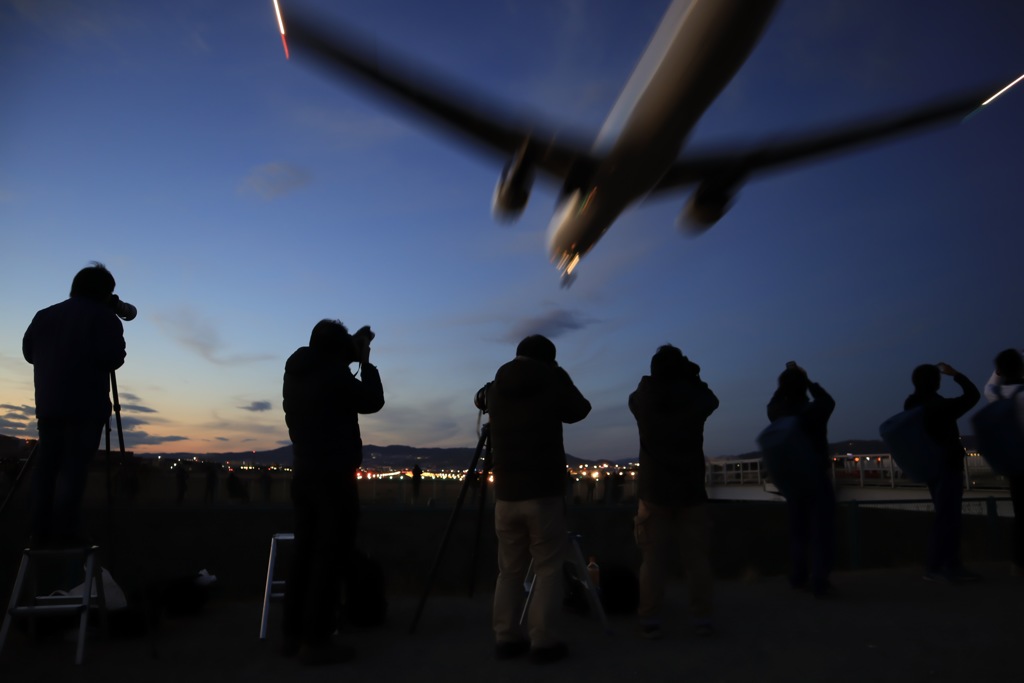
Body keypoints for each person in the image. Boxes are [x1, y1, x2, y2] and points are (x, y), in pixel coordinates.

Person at [281, 320, 384, 665]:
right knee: (329, 558)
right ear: (337, 351)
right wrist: (365, 361)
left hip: (304, 474)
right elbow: (372, 400)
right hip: (333, 480)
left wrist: (348, 350)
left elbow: (333, 370)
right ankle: (317, 640)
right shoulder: (333, 374)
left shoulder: (298, 371)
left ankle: (292, 634)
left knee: (304, 556)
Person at [484, 334, 590, 664]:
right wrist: (559, 374)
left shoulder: (496, 385)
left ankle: (505, 637)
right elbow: (579, 409)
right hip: (543, 492)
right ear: (549, 359)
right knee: (547, 569)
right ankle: (542, 641)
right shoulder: (551, 379)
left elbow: (479, 400)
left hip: (506, 494)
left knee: (509, 571)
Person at [22, 262, 127, 547]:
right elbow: (113, 358)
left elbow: (29, 353)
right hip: (86, 407)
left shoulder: (44, 316)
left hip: (49, 405)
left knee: (47, 467)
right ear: (105, 292)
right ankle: (66, 531)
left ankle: (39, 529)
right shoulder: (104, 317)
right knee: (73, 468)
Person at [629, 345, 719, 639]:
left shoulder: (644, 399)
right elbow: (711, 400)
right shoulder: (694, 398)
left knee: (652, 560)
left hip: (653, 489)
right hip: (691, 489)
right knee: (697, 560)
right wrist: (693, 375)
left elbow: (635, 398)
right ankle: (702, 618)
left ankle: (650, 618)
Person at [904, 362, 980, 582]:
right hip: (948, 465)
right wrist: (955, 374)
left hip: (929, 467)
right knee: (949, 518)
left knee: (944, 516)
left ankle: (941, 566)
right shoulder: (941, 406)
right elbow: (972, 395)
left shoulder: (911, 404)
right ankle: (943, 567)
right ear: (936, 382)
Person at [766, 362, 836, 597]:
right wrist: (806, 379)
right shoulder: (816, 410)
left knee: (798, 531)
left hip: (793, 481)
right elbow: (828, 400)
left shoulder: (778, 414)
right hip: (817, 476)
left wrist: (785, 383)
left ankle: (798, 577)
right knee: (821, 531)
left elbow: (772, 404)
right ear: (803, 388)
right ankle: (820, 581)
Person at [982, 349, 1024, 576]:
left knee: (1020, 514)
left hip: (1014, 461)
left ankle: (1018, 562)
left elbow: (991, 382)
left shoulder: (994, 393)